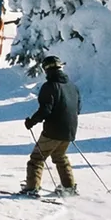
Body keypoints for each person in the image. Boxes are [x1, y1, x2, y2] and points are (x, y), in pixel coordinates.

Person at [20, 55, 81, 196]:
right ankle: (69, 187)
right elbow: (78, 108)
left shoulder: (49, 86)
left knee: (36, 158)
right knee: (60, 156)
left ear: (46, 70)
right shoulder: (73, 86)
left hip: (53, 131)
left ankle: (31, 188)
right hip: (70, 130)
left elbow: (45, 110)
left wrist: (31, 122)